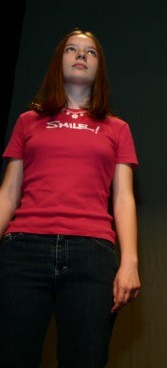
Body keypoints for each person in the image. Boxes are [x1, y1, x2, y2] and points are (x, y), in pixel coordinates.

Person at [0, 29, 141, 368]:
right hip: (23, 252)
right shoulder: (28, 121)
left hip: (91, 256)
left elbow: (123, 198)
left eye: (90, 52)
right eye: (72, 50)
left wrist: (130, 261)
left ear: (99, 68)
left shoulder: (116, 127)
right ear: (58, 61)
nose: (81, 56)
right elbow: (8, 191)